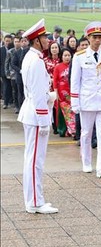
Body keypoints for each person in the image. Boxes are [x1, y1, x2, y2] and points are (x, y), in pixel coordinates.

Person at [17, 18, 58, 214]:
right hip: (35, 116)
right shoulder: (35, 61)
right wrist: (44, 121)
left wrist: (49, 96)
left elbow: (38, 92)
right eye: (45, 37)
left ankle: (35, 199)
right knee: (35, 161)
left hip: (34, 113)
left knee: (34, 160)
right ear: (36, 41)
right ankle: (34, 202)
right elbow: (35, 93)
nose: (48, 40)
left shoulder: (34, 58)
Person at [71, 21, 101, 179]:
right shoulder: (79, 57)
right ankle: (86, 162)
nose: (98, 40)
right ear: (88, 37)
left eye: (99, 37)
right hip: (87, 100)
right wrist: (75, 102)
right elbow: (75, 81)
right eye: (94, 37)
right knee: (86, 133)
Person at [52, 48, 76, 137]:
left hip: (72, 92)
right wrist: (56, 92)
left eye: (69, 55)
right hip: (62, 93)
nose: (67, 57)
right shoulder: (58, 67)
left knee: (73, 111)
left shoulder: (74, 66)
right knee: (67, 112)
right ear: (61, 56)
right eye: (65, 55)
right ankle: (72, 130)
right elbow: (55, 80)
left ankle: (71, 130)